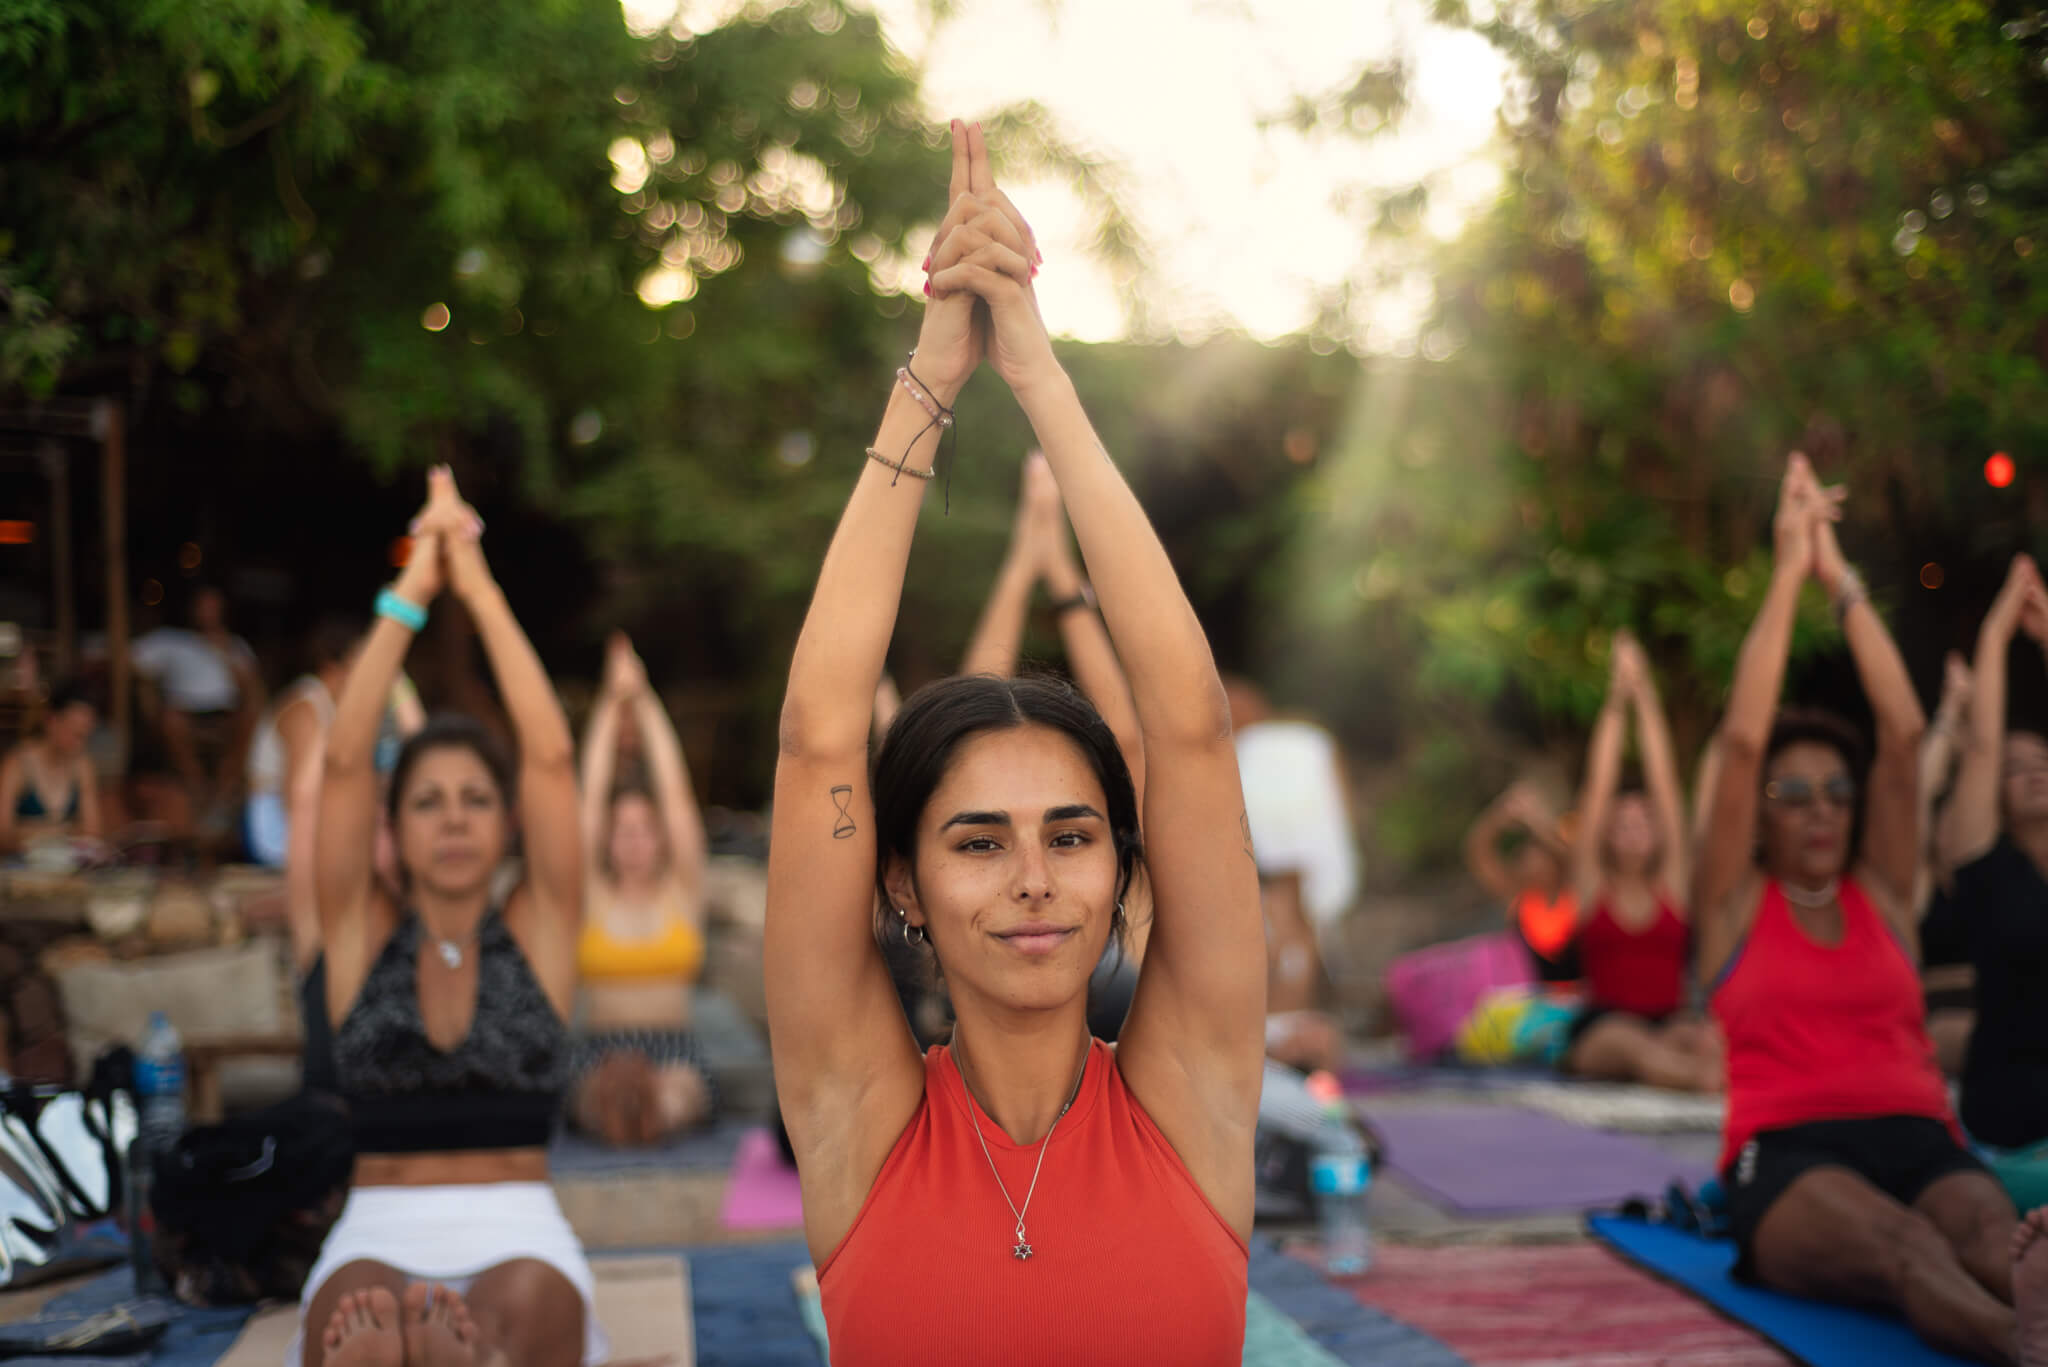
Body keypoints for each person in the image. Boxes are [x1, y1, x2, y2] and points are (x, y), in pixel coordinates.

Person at [768, 122, 1263, 1363]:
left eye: (1073, 833)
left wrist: (1034, 366)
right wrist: (936, 368)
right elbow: (820, 731)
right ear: (903, 882)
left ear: (1119, 867)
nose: (1035, 877)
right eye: (978, 841)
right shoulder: (857, 1116)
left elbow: (1188, 727)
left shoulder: (1189, 1092)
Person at [1695, 452, 2048, 1365]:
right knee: (1907, 1248)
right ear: (1764, 814)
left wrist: (1842, 579)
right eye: (1795, 793)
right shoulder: (1734, 905)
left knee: (1984, 1230)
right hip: (1787, 1154)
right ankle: (2021, 1349)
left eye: (1835, 792)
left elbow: (1901, 730)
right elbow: (1740, 743)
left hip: (1922, 1136)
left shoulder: (1885, 894)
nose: (1819, 809)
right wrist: (1786, 575)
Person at [297, 467, 604, 1367]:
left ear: (507, 822)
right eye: (429, 801)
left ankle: (475, 1356)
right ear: (392, 829)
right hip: (375, 1225)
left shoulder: (540, 929)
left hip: (520, 1227)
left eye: (476, 797)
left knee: (513, 1321)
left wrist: (474, 580)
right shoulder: (358, 929)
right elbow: (347, 761)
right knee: (359, 1319)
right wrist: (414, 589)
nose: (457, 817)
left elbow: (548, 756)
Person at [246, 617, 425, 1096]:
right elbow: (303, 800)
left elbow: (426, 759)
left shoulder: (425, 931)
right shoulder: (310, 706)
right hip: (283, 831)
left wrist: (396, 682)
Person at [568, 631, 714, 1147]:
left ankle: (644, 1105)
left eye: (643, 828)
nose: (632, 839)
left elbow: (675, 795)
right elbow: (587, 798)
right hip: (598, 1053)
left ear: (660, 839)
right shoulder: (590, 894)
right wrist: (610, 704)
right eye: (621, 828)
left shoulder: (682, 891)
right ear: (607, 840)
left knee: (675, 1094)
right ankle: (622, 1102)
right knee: (596, 1094)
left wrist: (644, 700)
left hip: (674, 1053)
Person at [1558, 630, 1719, 1092]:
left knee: (1705, 1035)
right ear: (1605, 834)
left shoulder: (1673, 883)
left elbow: (1666, 785)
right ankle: (1701, 1083)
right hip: (1605, 1027)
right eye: (1621, 821)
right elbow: (1599, 782)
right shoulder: (1592, 885)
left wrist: (1645, 693)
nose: (1633, 828)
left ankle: (1705, 1072)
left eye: (1642, 821)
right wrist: (1615, 698)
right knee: (1631, 1044)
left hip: (1668, 1021)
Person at [1935, 554, 2048, 1213]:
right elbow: (1979, 747)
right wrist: (1997, 634)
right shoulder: (1984, 864)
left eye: (2043, 760)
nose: (2032, 771)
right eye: (2017, 767)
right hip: (2010, 1119)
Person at [132, 585, 264, 823]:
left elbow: (251, 686)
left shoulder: (235, 645)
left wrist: (223, 651)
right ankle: (197, 785)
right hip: (184, 711)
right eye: (203, 607)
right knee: (172, 720)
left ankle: (224, 791)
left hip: (224, 713)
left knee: (250, 718)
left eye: (213, 607)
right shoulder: (171, 641)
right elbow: (132, 662)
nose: (208, 613)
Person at [1465, 779, 1579, 984]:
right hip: (1542, 999)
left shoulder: (1577, 890)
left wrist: (1535, 821)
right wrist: (1498, 817)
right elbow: (1478, 850)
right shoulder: (1520, 898)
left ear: (1555, 862)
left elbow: (1570, 856)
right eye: (1527, 862)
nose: (1535, 868)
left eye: (1541, 860)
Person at [0, 680, 102, 854]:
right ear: (52, 721)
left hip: (66, 872)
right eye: (74, 734)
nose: (79, 745)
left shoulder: (82, 766)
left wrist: (28, 830)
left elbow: (92, 833)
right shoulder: (17, 764)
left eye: (84, 736)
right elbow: (3, 834)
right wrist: (68, 830)